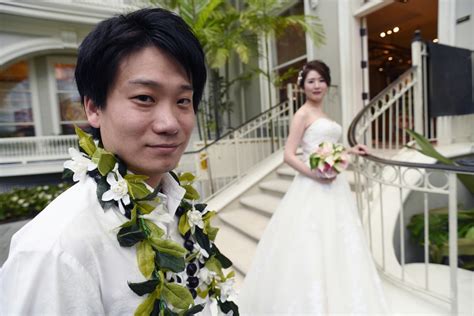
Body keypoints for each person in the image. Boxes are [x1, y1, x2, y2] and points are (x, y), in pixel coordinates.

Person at [0, 8, 238, 315]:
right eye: (144, 98)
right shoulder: (56, 250)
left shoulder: (178, 208)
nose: (169, 123)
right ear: (93, 108)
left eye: (182, 101)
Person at [238, 60, 389, 314]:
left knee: (339, 239)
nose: (316, 85)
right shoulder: (302, 114)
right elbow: (289, 154)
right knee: (312, 242)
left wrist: (350, 150)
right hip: (312, 185)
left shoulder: (325, 115)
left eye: (321, 80)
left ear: (327, 83)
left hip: (335, 186)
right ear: (303, 86)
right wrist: (315, 174)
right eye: (311, 81)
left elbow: (326, 147)